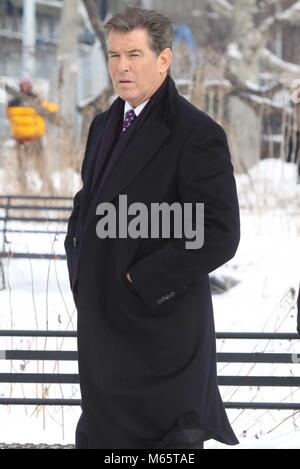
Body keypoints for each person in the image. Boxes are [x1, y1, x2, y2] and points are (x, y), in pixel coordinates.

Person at [64, 7, 240, 449]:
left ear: (164, 59)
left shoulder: (196, 132)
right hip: (103, 336)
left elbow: (219, 231)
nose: (122, 67)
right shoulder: (104, 123)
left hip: (162, 338)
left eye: (135, 54)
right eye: (114, 55)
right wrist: (79, 262)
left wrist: (139, 280)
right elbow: (90, 202)